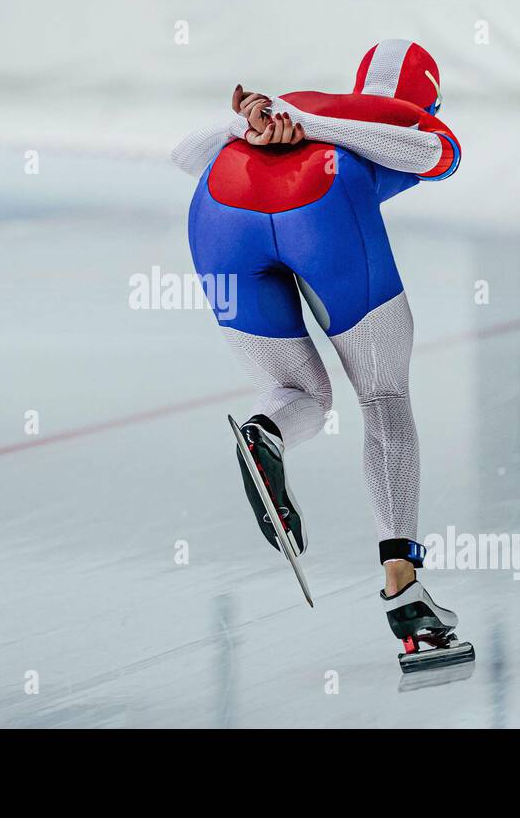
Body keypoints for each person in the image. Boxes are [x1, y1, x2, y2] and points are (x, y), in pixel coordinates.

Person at [171, 39, 465, 649]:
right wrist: (311, 128)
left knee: (294, 391)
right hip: (322, 209)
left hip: (216, 219)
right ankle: (404, 590)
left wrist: (247, 122)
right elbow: (438, 155)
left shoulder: (290, 101)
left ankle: (266, 434)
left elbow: (183, 155)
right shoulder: (397, 113)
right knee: (383, 398)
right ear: (426, 94)